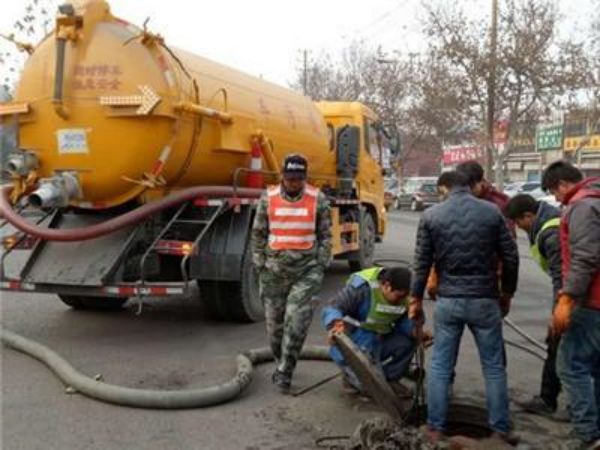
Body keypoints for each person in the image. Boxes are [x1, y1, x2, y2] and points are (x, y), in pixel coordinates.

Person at [409, 170, 520, 445]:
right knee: (494, 367)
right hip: (485, 299)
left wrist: (414, 299)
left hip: (449, 300)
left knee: (441, 366)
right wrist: (507, 292)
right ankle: (500, 430)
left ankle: (435, 429)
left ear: (444, 188)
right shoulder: (492, 212)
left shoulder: (432, 216)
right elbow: (512, 257)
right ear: (468, 187)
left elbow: (421, 264)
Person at [251, 153, 332, 393]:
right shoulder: (268, 199)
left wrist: (320, 266)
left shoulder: (319, 200)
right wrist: (260, 264)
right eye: (290, 179)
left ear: (304, 178)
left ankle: (286, 371)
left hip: (306, 273)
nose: (293, 183)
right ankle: (280, 361)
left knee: (296, 322)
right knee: (275, 327)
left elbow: (326, 236)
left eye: (298, 179)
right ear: (283, 177)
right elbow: (258, 235)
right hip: (274, 272)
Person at [542, 161, 600, 448]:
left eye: (555, 191)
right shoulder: (595, 200)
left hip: (591, 302)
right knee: (597, 366)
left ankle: (586, 434)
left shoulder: (581, 207)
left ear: (564, 184)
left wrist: (566, 299)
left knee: (570, 365)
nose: (555, 199)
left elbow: (585, 258)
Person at [321, 266, 423, 394]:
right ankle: (350, 377)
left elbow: (404, 320)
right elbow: (333, 307)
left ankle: (390, 379)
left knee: (408, 342)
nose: (402, 300)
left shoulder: (407, 295)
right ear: (386, 285)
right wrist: (335, 324)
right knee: (368, 388)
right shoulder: (362, 289)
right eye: (399, 296)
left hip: (380, 338)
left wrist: (414, 331)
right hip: (356, 340)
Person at [504, 194, 563, 417]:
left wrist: (559, 309)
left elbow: (563, 276)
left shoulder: (550, 233)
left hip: (577, 297)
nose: (518, 228)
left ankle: (553, 403)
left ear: (528, 215)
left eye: (519, 222)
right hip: (576, 294)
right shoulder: (544, 224)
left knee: (562, 351)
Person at [456, 160, 516, 236]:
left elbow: (509, 237)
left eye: (471, 187)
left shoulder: (500, 203)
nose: (467, 191)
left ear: (481, 181)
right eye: (463, 186)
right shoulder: (456, 201)